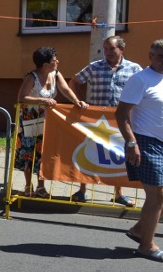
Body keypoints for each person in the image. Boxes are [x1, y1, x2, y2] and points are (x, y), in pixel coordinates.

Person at [115, 39, 163, 264]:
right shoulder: (140, 79)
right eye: (160, 56)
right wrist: (131, 143)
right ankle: (147, 245)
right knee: (158, 195)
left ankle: (139, 230)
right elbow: (122, 114)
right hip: (144, 142)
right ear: (151, 57)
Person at [68, 36, 142, 205]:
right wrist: (80, 102)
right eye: (105, 49)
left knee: (118, 154)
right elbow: (74, 82)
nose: (107, 53)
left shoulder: (134, 68)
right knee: (90, 151)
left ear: (121, 50)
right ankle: (82, 190)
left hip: (121, 119)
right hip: (96, 118)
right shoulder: (95, 67)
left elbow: (142, 89)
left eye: (111, 49)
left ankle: (118, 193)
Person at [15, 46, 88, 198]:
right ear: (45, 64)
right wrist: (42, 100)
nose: (57, 62)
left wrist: (76, 101)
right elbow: (22, 97)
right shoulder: (32, 77)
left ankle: (41, 186)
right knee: (30, 153)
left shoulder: (55, 73)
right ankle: (28, 186)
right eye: (54, 60)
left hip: (48, 120)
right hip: (31, 120)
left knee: (44, 152)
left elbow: (65, 89)